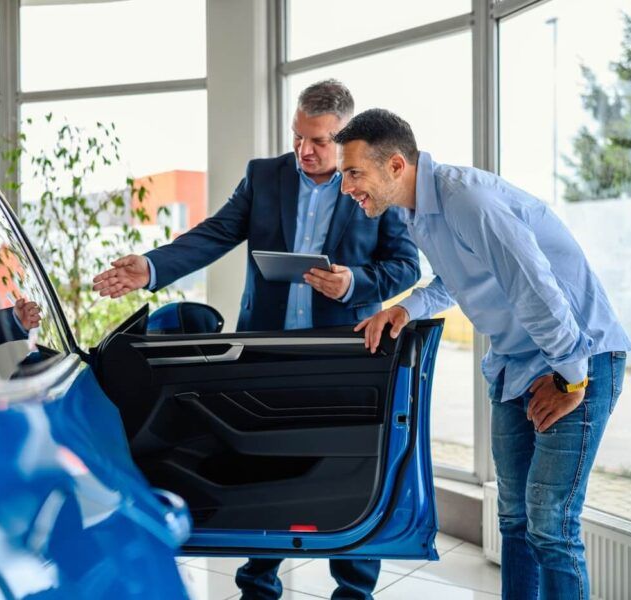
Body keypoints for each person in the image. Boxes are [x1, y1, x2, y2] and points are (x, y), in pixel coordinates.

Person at [93, 82, 420, 600]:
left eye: (319, 141)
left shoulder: (371, 183)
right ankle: (258, 586)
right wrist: (151, 267)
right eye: (297, 136)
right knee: (264, 470)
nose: (304, 150)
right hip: (268, 356)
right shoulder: (264, 176)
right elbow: (214, 234)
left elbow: (405, 265)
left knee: (351, 468)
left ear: (346, 137)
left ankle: (354, 591)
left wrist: (353, 283)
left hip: (342, 357)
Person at [334, 109, 631, 599]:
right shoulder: (416, 212)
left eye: (353, 173)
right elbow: (454, 279)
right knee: (514, 519)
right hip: (517, 364)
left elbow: (535, 288)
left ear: (395, 166)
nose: (345, 186)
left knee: (551, 526)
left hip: (578, 357)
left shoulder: (467, 200)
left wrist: (571, 380)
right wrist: (407, 308)